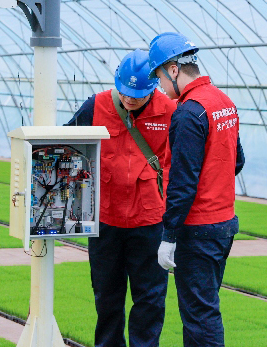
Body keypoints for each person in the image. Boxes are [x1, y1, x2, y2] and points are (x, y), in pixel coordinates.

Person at [66, 49, 177, 347]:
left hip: (150, 222)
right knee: (106, 297)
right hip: (106, 221)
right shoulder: (96, 105)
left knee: (150, 299)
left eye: (138, 95)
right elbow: (65, 141)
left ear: (154, 85)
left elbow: (180, 163)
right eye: (125, 93)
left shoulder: (170, 111)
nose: (130, 100)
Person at [149, 32, 244, 347]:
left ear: (173, 69)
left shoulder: (189, 112)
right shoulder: (222, 102)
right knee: (203, 308)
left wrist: (169, 236)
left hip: (198, 231)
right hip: (224, 225)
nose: (160, 87)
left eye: (159, 77)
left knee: (201, 317)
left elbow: (182, 182)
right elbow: (237, 161)